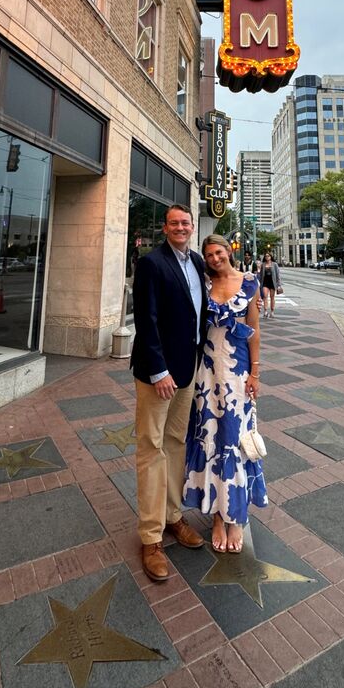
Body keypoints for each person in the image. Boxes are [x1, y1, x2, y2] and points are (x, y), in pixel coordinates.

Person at [130, 204, 208, 582]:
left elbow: (199, 315)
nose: (181, 227)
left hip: (187, 369)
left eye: (186, 223)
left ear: (192, 228)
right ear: (165, 228)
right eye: (175, 223)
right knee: (151, 447)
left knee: (177, 442)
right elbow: (146, 320)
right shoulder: (151, 263)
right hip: (157, 374)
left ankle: (173, 517)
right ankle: (150, 537)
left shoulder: (196, 262)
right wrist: (159, 369)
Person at [184, 234, 267, 553]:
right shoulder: (203, 286)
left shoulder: (249, 283)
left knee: (235, 440)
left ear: (228, 251)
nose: (214, 258)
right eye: (208, 255)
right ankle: (218, 515)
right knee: (212, 439)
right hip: (206, 373)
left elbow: (255, 332)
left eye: (218, 252)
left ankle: (235, 517)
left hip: (238, 373)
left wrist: (256, 373)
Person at [258, 252, 282, 318]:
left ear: (271, 257)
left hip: (272, 282)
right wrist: (260, 283)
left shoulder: (274, 264)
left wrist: (279, 284)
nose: (267, 257)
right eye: (266, 256)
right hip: (265, 282)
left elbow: (278, 275)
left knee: (272, 297)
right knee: (265, 296)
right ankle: (265, 311)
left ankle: (272, 311)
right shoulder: (263, 265)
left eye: (268, 256)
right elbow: (261, 275)